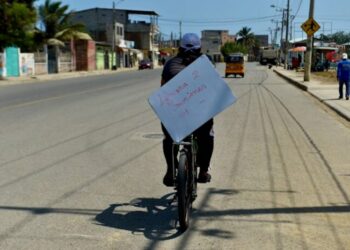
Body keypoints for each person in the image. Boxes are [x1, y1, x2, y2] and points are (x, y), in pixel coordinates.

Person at [160, 33, 214, 186]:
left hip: (175, 116)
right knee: (208, 136)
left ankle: (170, 170)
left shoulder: (170, 64)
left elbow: (162, 90)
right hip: (200, 116)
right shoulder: (206, 63)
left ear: (180, 48)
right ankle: (203, 171)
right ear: (199, 49)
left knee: (168, 138)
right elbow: (214, 87)